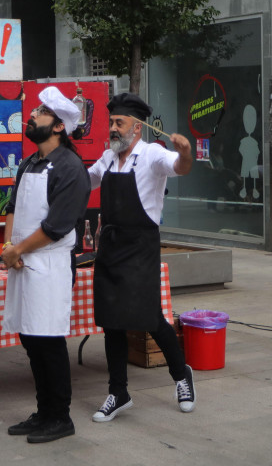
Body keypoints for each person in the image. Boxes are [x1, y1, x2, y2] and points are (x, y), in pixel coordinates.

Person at [87, 92, 195, 423]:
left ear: (137, 128)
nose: (113, 129)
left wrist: (186, 152)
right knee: (111, 321)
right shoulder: (107, 157)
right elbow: (84, 180)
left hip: (140, 248)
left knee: (149, 318)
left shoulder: (153, 154)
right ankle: (118, 393)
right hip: (110, 247)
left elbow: (180, 167)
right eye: (111, 123)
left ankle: (181, 376)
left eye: (119, 123)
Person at [0, 86, 91, 444]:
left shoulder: (70, 168)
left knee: (49, 340)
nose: (32, 115)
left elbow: (56, 228)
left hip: (50, 265)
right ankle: (44, 412)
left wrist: (18, 249)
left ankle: (61, 417)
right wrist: (10, 247)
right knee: (30, 337)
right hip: (23, 261)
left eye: (40, 111)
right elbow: (12, 207)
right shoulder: (31, 161)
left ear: (57, 127)